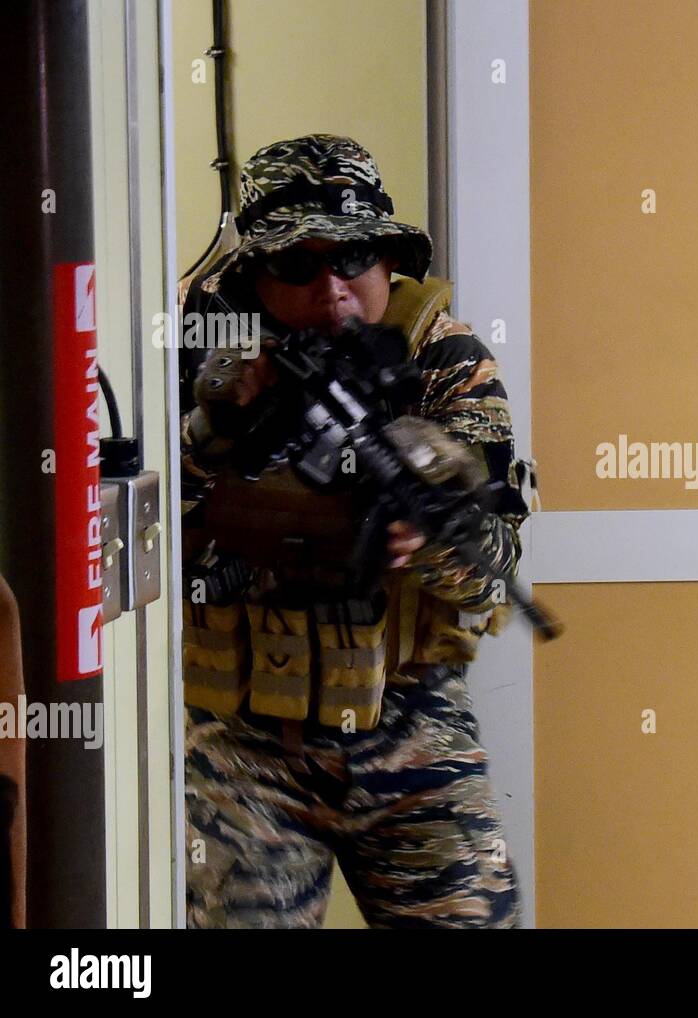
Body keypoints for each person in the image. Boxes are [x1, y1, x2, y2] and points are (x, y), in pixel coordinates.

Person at [178, 134, 533, 928]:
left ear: (387, 261)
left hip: (407, 715)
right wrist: (210, 432)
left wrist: (432, 534)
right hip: (236, 734)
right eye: (297, 265)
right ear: (254, 280)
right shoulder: (197, 348)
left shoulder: (441, 358)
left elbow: (498, 564)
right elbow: (121, 539)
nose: (332, 290)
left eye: (354, 257)